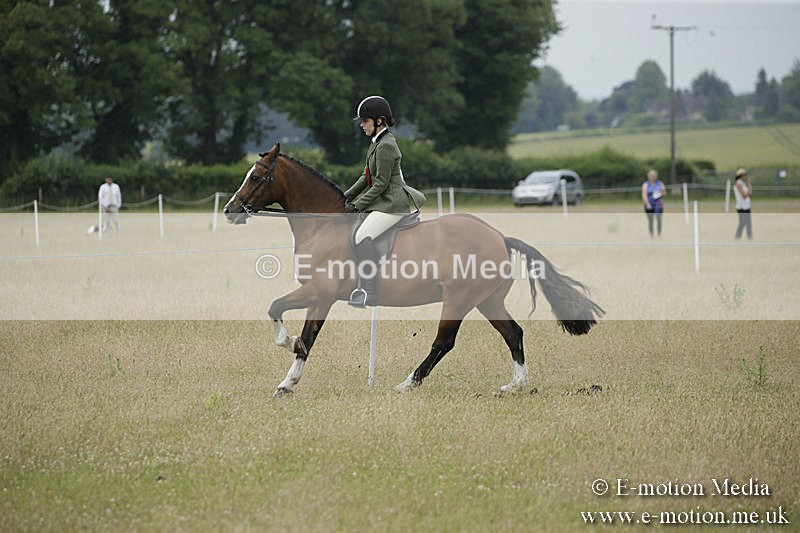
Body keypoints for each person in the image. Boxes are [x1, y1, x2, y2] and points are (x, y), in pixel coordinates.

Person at [344, 95, 426, 308]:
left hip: (392, 205)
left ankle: (369, 291)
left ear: (379, 121)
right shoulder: (376, 143)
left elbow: (380, 184)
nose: (361, 125)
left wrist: (357, 206)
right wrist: (343, 198)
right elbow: (365, 177)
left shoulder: (386, 145)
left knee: (362, 235)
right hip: (383, 202)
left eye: (365, 121)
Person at [641, 169, 666, 236]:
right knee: (651, 221)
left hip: (658, 204)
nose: (654, 177)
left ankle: (659, 234)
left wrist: (660, 193)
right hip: (649, 204)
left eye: (655, 176)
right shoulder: (646, 184)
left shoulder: (660, 183)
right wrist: (647, 203)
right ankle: (651, 235)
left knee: (659, 219)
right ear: (649, 177)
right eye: (652, 176)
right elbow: (644, 195)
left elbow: (664, 192)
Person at [733, 167, 752, 239]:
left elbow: (750, 193)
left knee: (748, 223)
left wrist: (749, 183)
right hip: (741, 207)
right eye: (744, 175)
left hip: (746, 206)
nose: (746, 176)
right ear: (741, 176)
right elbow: (744, 195)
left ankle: (749, 237)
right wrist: (748, 192)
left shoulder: (743, 184)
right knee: (742, 222)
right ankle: (738, 236)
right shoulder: (738, 184)